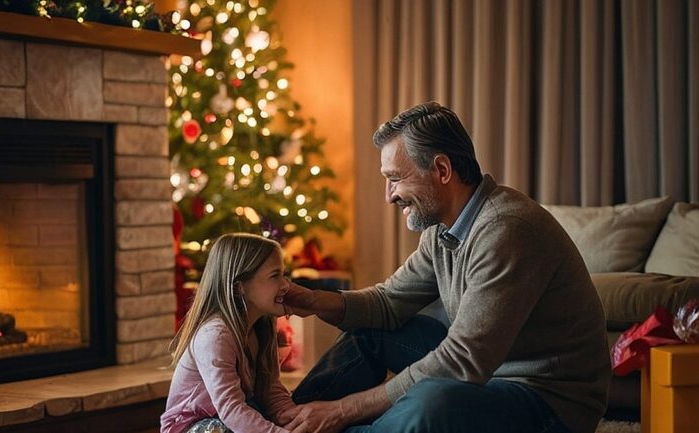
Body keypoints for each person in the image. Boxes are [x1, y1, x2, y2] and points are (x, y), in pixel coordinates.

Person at [281, 102, 611, 433]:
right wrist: (313, 300)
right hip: (491, 374)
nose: (389, 196)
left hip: (548, 401)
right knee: (369, 334)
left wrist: (342, 410)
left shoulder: (506, 229)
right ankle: (285, 422)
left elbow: (462, 361)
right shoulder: (441, 230)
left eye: (395, 178)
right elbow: (387, 303)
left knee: (431, 402)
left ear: (442, 169)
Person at [162, 233, 303, 433]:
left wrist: (296, 420)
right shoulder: (216, 336)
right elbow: (231, 409)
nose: (285, 285)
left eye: (283, 274)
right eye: (275, 276)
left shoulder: (263, 326)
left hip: (235, 414)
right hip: (194, 426)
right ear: (239, 287)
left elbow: (269, 388)